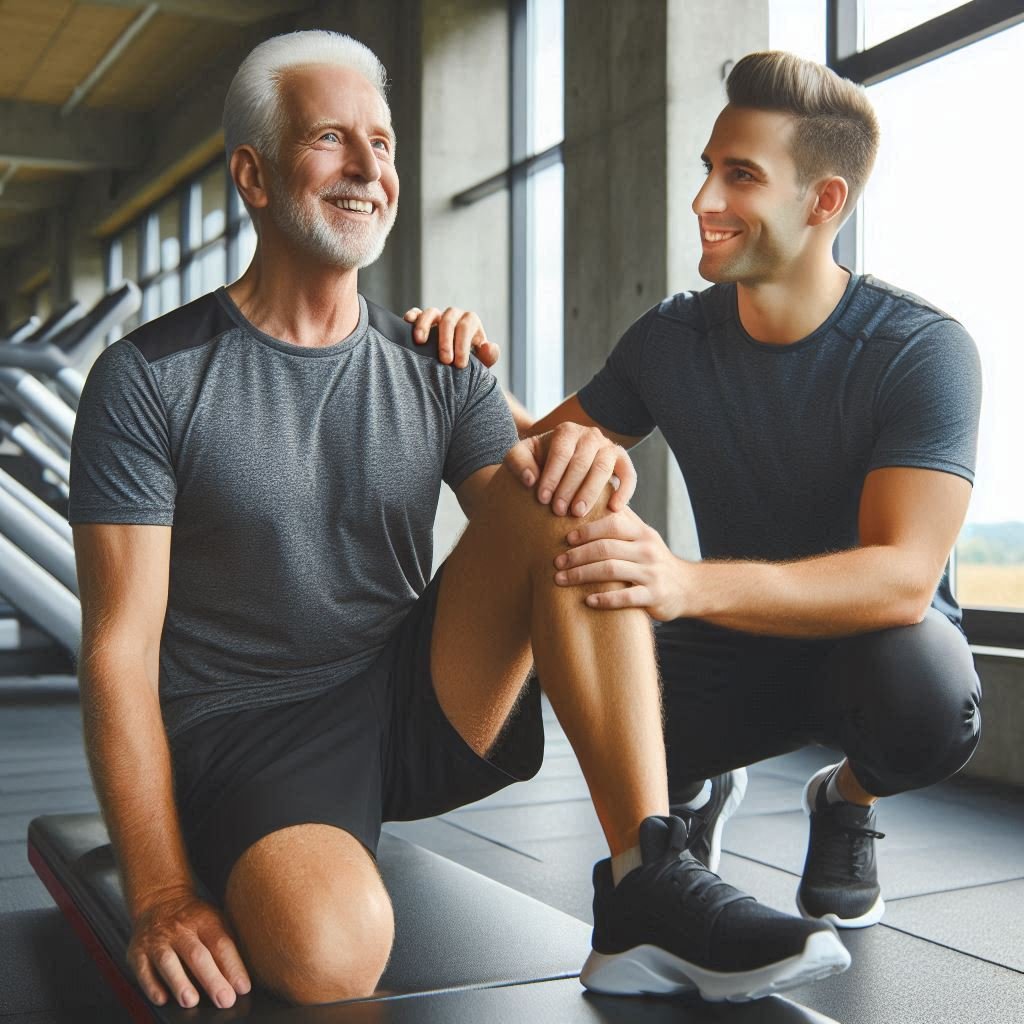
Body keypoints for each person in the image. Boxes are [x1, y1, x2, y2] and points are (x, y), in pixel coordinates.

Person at [68, 33, 850, 1012]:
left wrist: (588, 456)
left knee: (565, 487)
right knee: (331, 953)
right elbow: (116, 651)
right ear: (251, 174)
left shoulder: (442, 364)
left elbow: (542, 533)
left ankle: (645, 878)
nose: (368, 169)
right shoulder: (148, 379)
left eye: (384, 145)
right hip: (246, 734)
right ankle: (267, 852)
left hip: (411, 703)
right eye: (330, 140)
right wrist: (162, 888)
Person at [407, 50, 983, 932]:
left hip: (873, 647)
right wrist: (464, 367)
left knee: (930, 703)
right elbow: (539, 458)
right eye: (709, 168)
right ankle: (690, 804)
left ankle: (845, 800)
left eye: (740, 175)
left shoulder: (920, 350)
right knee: (611, 699)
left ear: (823, 202)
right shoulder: (673, 338)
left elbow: (902, 577)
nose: (705, 199)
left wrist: (682, 581)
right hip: (736, 637)